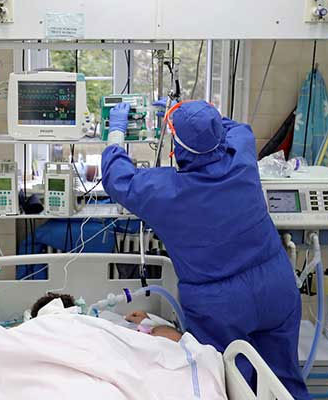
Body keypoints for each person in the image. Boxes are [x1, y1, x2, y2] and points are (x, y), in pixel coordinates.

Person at [101, 101, 310, 399]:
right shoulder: (242, 157)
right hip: (276, 289)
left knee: (224, 384)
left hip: (222, 306)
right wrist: (193, 115)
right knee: (283, 383)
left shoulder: (166, 192)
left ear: (177, 147)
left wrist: (116, 133)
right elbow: (233, 128)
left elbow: (116, 177)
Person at [30, 293, 183, 342]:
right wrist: (146, 321)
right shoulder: (106, 319)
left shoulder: (103, 319)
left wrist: (145, 321)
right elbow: (175, 339)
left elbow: (174, 339)